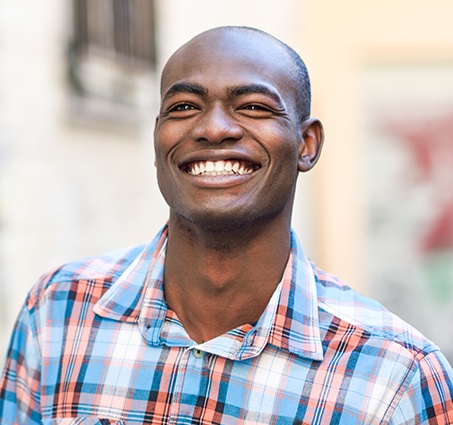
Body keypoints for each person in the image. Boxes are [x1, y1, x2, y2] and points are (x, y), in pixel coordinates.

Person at [1, 26, 452, 425]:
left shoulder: (396, 378)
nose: (213, 129)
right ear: (157, 138)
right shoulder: (58, 311)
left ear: (307, 144)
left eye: (254, 106)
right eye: (183, 107)